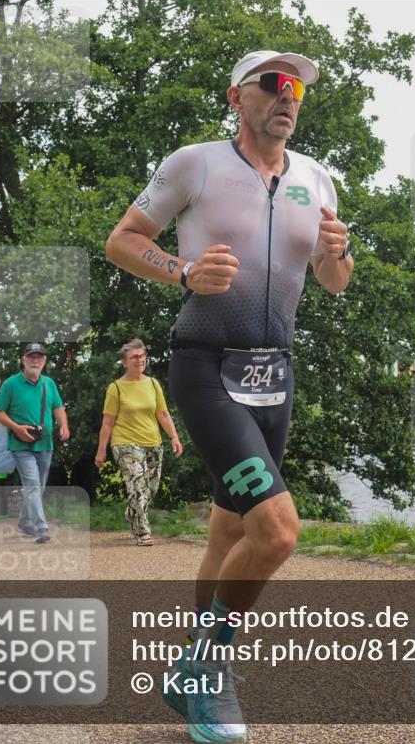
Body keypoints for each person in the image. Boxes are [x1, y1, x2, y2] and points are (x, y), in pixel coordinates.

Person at [105, 49, 351, 743]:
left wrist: (338, 250)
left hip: (277, 375)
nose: (288, 96)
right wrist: (183, 271)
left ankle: (195, 667)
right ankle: (207, 669)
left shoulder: (315, 177)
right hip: (206, 365)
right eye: (273, 84)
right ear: (236, 98)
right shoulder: (198, 163)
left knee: (232, 532)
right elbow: (122, 241)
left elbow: (335, 281)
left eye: (296, 87)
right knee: (276, 531)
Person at [95, 338, 183, 545]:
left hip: (153, 442)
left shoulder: (153, 384)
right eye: (134, 357)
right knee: (137, 486)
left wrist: (174, 437)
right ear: (125, 362)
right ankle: (143, 532)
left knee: (150, 488)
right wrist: (101, 451)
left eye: (142, 356)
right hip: (125, 443)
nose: (139, 360)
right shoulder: (115, 388)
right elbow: (107, 423)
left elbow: (162, 413)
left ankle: (132, 512)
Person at [0, 343, 70, 544]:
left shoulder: (49, 383)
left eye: (39, 357)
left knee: (38, 487)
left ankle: (24, 521)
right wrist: (16, 428)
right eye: (31, 357)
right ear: (23, 360)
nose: (35, 360)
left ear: (44, 361)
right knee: (32, 484)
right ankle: (41, 527)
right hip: (20, 444)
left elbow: (58, 407)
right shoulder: (11, 384)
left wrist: (64, 425)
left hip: (44, 443)